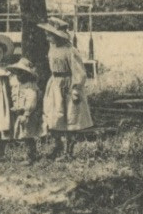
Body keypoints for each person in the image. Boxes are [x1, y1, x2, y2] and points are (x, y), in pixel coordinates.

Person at [39, 19, 93, 158]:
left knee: (71, 116)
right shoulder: (52, 49)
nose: (47, 37)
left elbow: (79, 71)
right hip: (55, 84)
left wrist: (76, 88)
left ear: (57, 35)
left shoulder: (71, 51)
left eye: (49, 35)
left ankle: (68, 151)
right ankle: (57, 146)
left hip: (68, 86)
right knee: (54, 116)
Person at [8, 57, 41, 163]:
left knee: (28, 135)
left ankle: (31, 155)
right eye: (18, 73)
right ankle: (29, 154)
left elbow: (31, 101)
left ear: (28, 74)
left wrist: (27, 113)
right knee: (23, 135)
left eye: (23, 73)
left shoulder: (30, 87)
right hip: (20, 113)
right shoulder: (17, 85)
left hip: (28, 114)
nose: (20, 75)